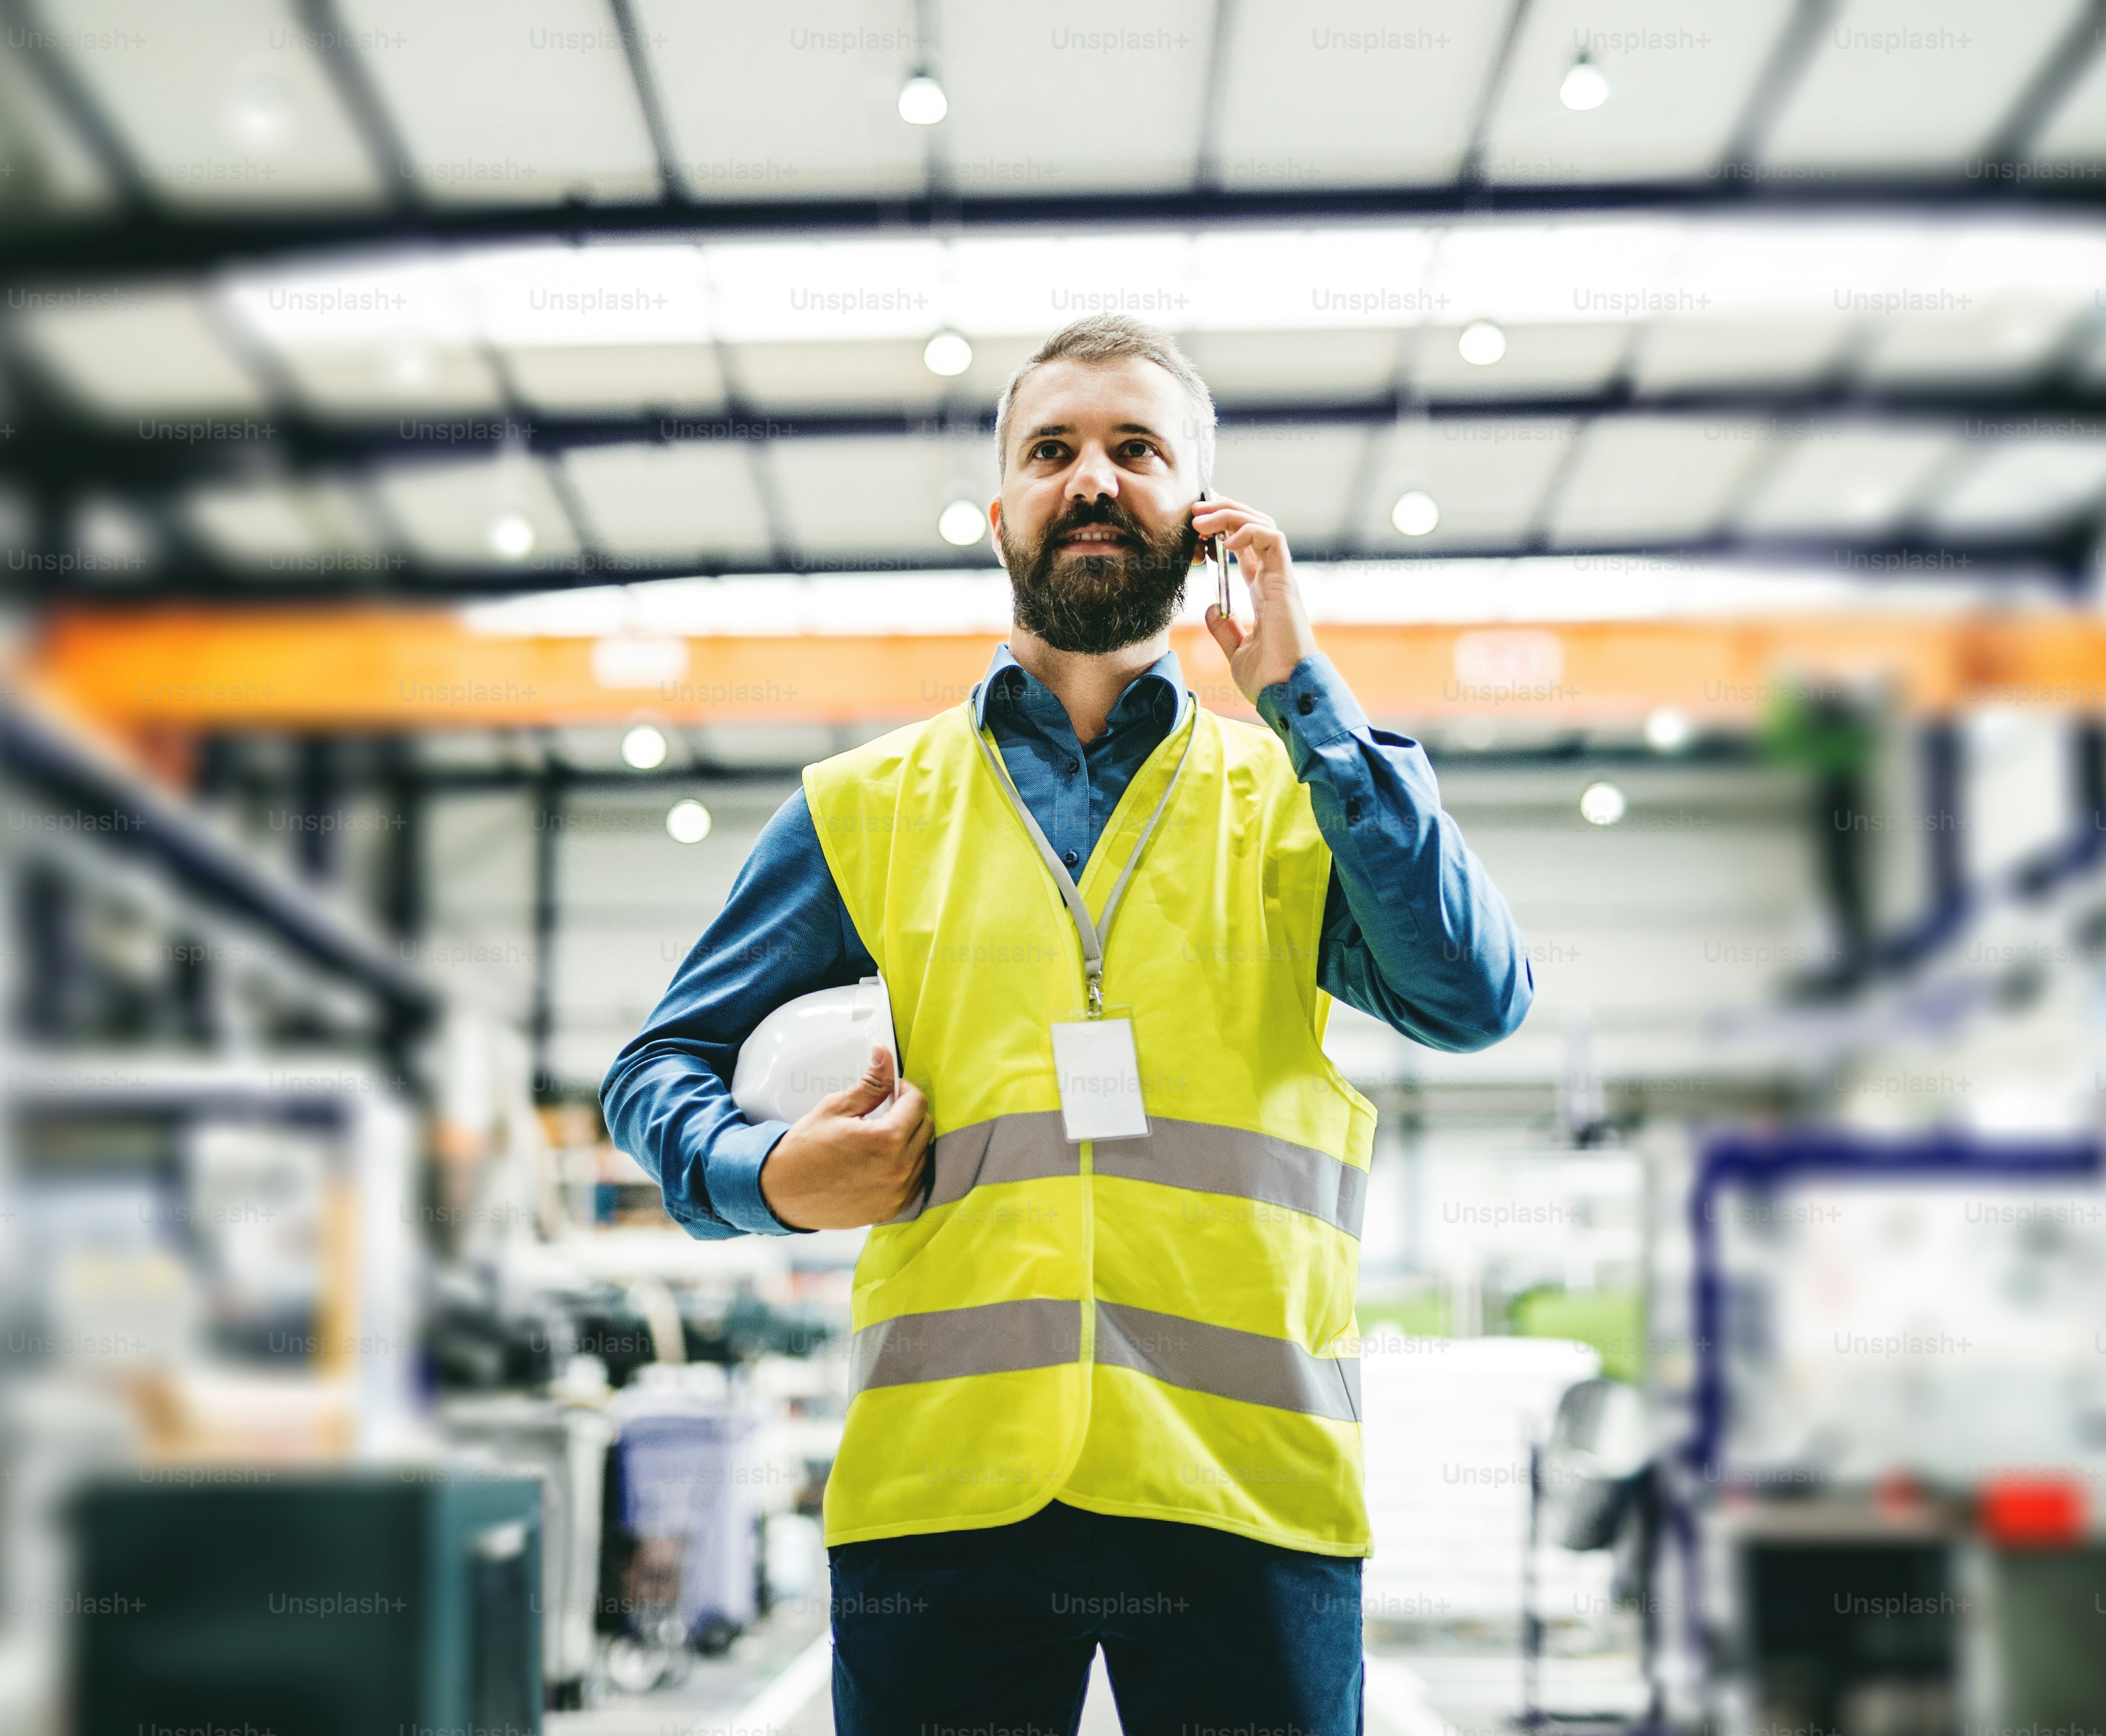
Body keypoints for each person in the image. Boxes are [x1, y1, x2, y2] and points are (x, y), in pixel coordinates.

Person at [601, 314, 1532, 1732]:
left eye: (1136, 448)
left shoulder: (1299, 794)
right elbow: (654, 1070)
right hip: (946, 1491)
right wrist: (766, 1175)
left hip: (1244, 1487)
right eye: (1053, 450)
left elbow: (1473, 995)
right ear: (999, 516)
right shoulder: (862, 808)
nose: (1092, 478)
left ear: (1202, 515)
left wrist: (1305, 697)